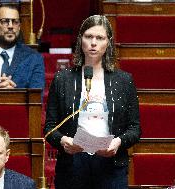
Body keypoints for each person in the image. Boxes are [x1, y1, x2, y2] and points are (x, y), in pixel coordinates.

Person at [44, 15, 141, 189]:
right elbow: (49, 128)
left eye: (100, 38)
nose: (93, 43)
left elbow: (135, 129)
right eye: (88, 37)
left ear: (108, 42)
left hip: (111, 166)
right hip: (73, 165)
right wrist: (63, 141)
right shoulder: (62, 79)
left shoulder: (124, 81)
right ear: (80, 39)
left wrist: (118, 142)